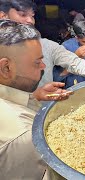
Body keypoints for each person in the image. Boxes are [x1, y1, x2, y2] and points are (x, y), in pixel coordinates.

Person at [0, 19, 72, 179]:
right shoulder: (24, 135)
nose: (43, 67)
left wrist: (33, 97)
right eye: (37, 62)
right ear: (6, 68)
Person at [0, 0, 85, 88]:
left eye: (32, 16)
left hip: (45, 108)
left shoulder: (48, 46)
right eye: (23, 15)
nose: (30, 20)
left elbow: (77, 64)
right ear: (3, 16)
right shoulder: (68, 45)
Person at [53, 20, 85, 89]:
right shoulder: (66, 48)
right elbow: (56, 77)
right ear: (77, 39)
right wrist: (75, 57)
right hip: (73, 92)